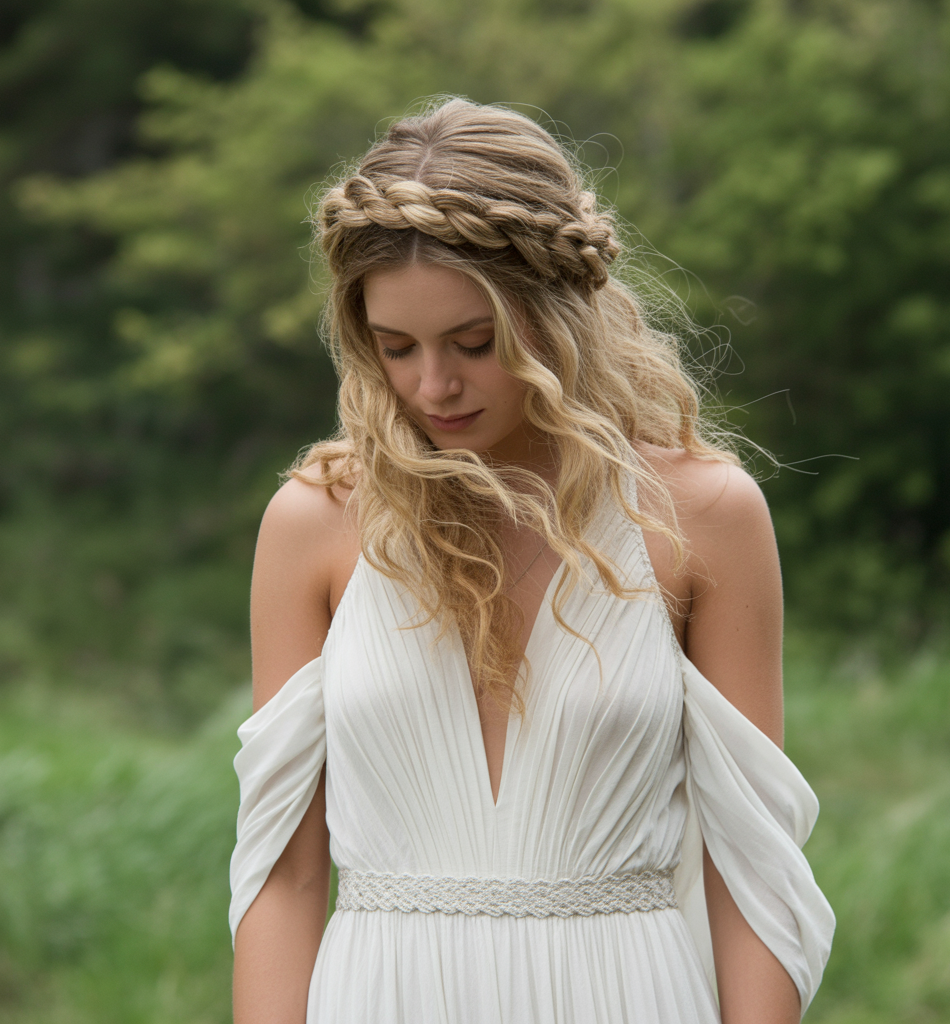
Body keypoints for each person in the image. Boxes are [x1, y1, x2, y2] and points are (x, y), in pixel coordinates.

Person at [228, 97, 834, 1024]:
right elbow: (285, 873)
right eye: (397, 348)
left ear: (557, 315)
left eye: (476, 343)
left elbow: (753, 871)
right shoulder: (317, 521)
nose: (434, 386)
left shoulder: (703, 515)